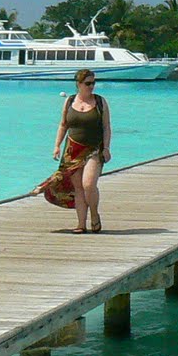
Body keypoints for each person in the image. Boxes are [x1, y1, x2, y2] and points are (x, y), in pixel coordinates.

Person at [36, 69, 111, 233]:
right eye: (88, 83)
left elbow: (106, 127)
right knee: (78, 188)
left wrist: (106, 148)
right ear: (79, 84)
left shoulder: (100, 102)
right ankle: (81, 224)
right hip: (72, 150)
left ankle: (94, 214)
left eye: (93, 83)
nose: (91, 86)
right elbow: (63, 125)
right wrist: (57, 146)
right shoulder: (69, 101)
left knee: (88, 184)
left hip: (94, 149)